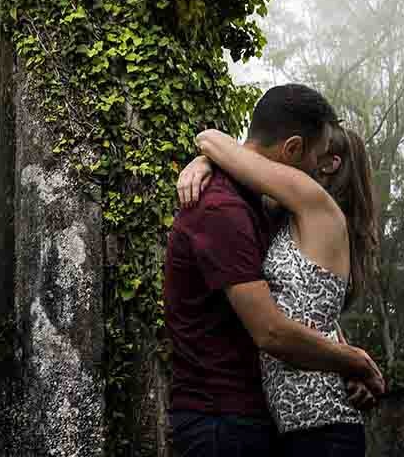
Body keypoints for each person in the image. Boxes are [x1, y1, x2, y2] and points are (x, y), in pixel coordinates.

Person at [162, 84, 384, 457]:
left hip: (275, 421)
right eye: (318, 157)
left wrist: (346, 362)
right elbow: (272, 330)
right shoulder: (227, 208)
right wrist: (353, 360)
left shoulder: (270, 210)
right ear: (293, 149)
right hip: (221, 419)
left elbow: (307, 308)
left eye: (329, 161)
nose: (317, 169)